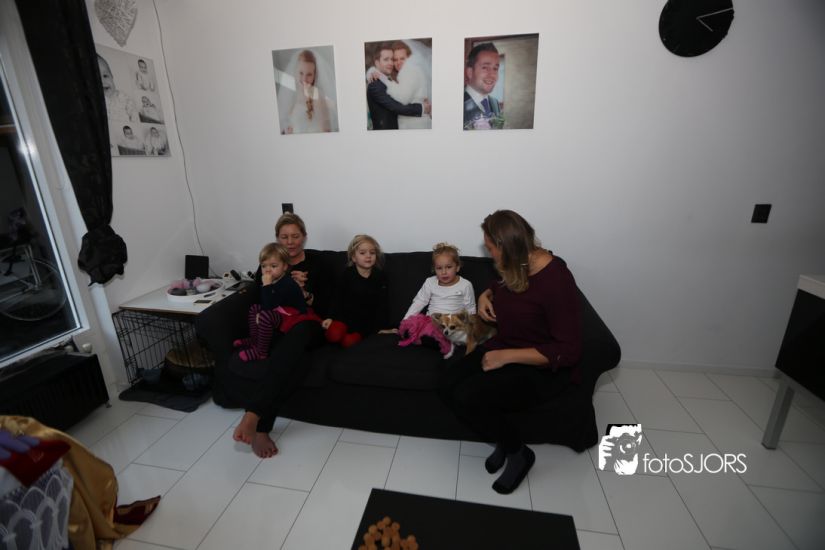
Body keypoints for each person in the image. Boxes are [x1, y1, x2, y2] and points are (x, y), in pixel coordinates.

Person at [439, 210, 582, 494]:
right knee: (445, 384)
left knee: (470, 396)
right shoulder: (518, 263)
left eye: (490, 248)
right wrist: (486, 295)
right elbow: (502, 287)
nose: (489, 254)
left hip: (540, 367)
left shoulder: (556, 280)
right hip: (506, 345)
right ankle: (504, 441)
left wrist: (506, 357)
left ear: (507, 246)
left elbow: (569, 351)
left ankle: (519, 453)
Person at [230, 212, 325, 458]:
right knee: (298, 362)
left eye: (295, 236)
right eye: (284, 237)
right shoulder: (269, 263)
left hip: (309, 323)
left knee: (298, 336)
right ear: (277, 238)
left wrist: (305, 293)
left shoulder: (318, 263)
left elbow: (331, 303)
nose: (290, 242)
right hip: (280, 326)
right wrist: (267, 294)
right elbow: (258, 296)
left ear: (304, 237)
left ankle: (254, 414)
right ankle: (261, 428)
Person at [234, 242, 318, 362]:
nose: (267, 270)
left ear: (285, 267)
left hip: (293, 315)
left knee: (265, 315)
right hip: (279, 310)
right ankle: (254, 340)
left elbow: (269, 306)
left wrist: (267, 286)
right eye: (264, 266)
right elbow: (266, 302)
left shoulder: (287, 283)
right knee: (254, 308)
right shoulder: (273, 279)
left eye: (273, 266)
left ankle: (261, 352)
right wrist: (266, 289)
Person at [398, 243, 477, 357]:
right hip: (432, 322)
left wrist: (471, 329)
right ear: (434, 269)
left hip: (452, 324)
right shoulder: (430, 282)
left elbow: (470, 308)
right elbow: (419, 301)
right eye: (439, 268)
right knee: (417, 328)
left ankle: (444, 342)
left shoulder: (465, 285)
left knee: (454, 334)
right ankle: (431, 339)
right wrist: (405, 321)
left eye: (448, 267)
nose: (444, 272)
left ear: (457, 267)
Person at [322, 234, 389, 347]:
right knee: (334, 334)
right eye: (363, 253)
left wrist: (382, 328)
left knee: (349, 342)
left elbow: (383, 304)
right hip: (345, 319)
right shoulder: (347, 274)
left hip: (365, 324)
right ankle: (338, 334)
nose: (368, 256)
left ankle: (348, 338)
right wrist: (330, 317)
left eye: (372, 253)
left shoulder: (380, 276)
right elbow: (337, 297)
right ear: (353, 257)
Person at [366, 40, 432, 130]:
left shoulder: (411, 73)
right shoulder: (376, 84)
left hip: (415, 125)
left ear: (409, 58)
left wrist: (382, 77)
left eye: (402, 58)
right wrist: (422, 108)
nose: (392, 63)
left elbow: (402, 99)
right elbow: (396, 107)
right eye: (394, 59)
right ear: (377, 63)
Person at [281, 49, 333, 134]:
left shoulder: (318, 96)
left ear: (315, 75)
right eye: (301, 73)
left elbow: (325, 131)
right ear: (295, 72)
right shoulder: (292, 95)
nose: (304, 79)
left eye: (309, 74)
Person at [463, 43, 503, 130]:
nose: (492, 75)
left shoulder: (495, 103)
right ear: (470, 72)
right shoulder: (456, 103)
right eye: (485, 68)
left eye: (495, 69)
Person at [98, 54, 138, 123]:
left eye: (105, 76)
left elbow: (133, 110)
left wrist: (135, 122)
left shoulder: (121, 96)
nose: (102, 81)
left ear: (112, 77)